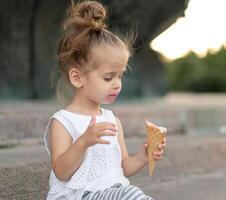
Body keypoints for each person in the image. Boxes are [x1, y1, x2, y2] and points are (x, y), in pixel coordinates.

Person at [43, 1, 166, 200]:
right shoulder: (63, 122)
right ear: (78, 77)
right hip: (77, 196)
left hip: (111, 193)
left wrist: (144, 157)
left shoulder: (112, 121)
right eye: (108, 77)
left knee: (132, 193)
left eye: (120, 76)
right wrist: (83, 142)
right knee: (131, 195)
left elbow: (122, 167)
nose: (117, 84)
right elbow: (61, 172)